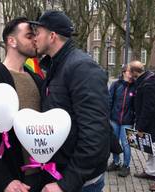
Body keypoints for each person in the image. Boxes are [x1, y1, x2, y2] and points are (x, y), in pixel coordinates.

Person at [29, 10, 110, 192]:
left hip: (79, 184)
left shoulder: (82, 68)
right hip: (62, 173)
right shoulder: (57, 65)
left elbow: (95, 133)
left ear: (52, 36)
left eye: (38, 32)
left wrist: (66, 184)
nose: (35, 38)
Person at [0, 17, 44, 192]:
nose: (35, 40)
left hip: (40, 176)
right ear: (11, 41)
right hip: (13, 180)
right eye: (29, 36)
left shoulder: (36, 78)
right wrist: (5, 181)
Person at [129, 60, 155, 191]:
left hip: (151, 122)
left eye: (130, 71)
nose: (129, 74)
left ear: (134, 72)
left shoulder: (149, 84)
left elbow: (149, 108)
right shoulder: (146, 79)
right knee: (149, 148)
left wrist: (140, 126)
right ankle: (150, 171)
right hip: (149, 120)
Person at [107, 65, 135, 177]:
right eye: (129, 71)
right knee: (114, 142)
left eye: (132, 72)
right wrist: (107, 116)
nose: (131, 74)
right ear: (124, 72)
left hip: (127, 121)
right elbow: (109, 100)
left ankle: (126, 166)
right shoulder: (116, 84)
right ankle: (116, 162)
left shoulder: (135, 86)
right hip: (114, 119)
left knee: (126, 144)